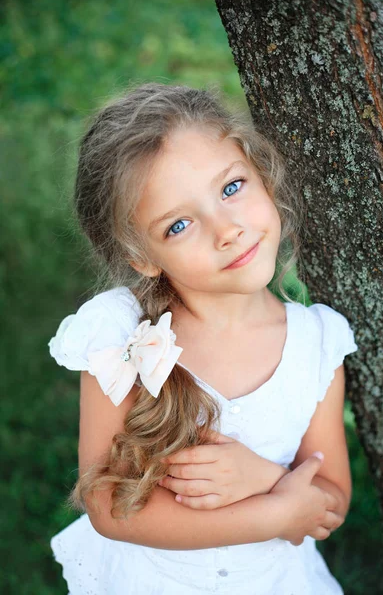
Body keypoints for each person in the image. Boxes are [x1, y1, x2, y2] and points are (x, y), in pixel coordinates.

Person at [48, 81, 358, 594]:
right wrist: (272, 515)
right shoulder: (121, 334)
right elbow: (108, 508)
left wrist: (261, 477)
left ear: (262, 173)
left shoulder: (316, 341)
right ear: (142, 256)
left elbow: (330, 502)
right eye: (179, 225)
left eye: (231, 188)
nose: (227, 229)